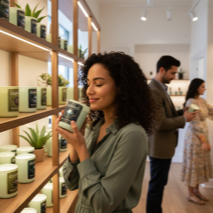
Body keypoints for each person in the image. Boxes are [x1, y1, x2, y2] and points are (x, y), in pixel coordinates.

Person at [56, 52, 156, 213]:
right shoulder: (95, 126)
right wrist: (75, 144)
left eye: (99, 84)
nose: (89, 91)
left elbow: (103, 203)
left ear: (122, 87)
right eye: (88, 83)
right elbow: (72, 183)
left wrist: (81, 147)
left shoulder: (132, 135)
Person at [146, 55, 197, 213]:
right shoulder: (154, 90)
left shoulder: (160, 88)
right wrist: (184, 118)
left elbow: (166, 115)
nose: (175, 77)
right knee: (156, 186)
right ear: (162, 70)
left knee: (159, 185)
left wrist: (182, 112)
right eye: (172, 73)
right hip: (159, 148)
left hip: (163, 147)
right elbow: (160, 123)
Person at [181, 78, 213, 205]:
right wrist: (204, 140)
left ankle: (197, 191)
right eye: (203, 87)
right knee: (193, 166)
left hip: (202, 138)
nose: (205, 89)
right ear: (196, 88)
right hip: (194, 139)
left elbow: (211, 111)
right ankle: (191, 194)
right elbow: (194, 122)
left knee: (200, 166)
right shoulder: (192, 102)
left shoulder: (202, 101)